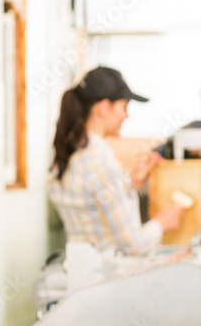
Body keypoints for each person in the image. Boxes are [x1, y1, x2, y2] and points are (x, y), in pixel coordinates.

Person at [47, 66, 185, 256]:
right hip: (109, 276)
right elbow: (135, 246)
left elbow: (96, 206)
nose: (126, 116)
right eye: (124, 107)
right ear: (104, 107)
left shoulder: (74, 154)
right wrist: (161, 223)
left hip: (85, 270)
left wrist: (131, 183)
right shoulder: (99, 163)